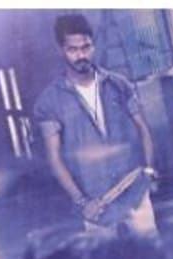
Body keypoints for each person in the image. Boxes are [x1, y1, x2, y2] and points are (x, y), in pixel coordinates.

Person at [33, 13, 159, 240]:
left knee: (152, 254)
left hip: (134, 192)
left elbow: (143, 128)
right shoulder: (49, 102)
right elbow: (54, 158)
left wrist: (148, 171)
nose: (81, 55)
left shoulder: (119, 85)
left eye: (86, 47)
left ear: (93, 45)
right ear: (61, 50)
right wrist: (82, 202)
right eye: (73, 50)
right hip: (95, 205)